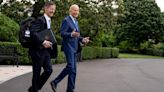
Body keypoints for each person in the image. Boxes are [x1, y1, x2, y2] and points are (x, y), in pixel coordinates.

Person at [50, 4, 89, 92]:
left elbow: (77, 35)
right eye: (75, 10)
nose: (76, 12)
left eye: (78, 10)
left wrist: (83, 39)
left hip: (75, 47)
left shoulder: (76, 22)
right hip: (68, 47)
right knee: (70, 66)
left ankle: (70, 89)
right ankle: (55, 81)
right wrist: (71, 34)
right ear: (70, 11)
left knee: (73, 71)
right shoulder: (66, 20)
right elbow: (62, 33)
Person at [28, 2, 56, 92]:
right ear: (46, 9)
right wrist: (43, 42)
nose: (53, 11)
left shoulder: (49, 20)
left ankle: (34, 88)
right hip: (37, 50)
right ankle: (35, 90)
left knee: (49, 70)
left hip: (45, 51)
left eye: (54, 9)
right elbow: (33, 33)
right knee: (36, 73)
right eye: (51, 9)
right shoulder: (40, 19)